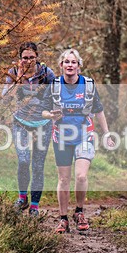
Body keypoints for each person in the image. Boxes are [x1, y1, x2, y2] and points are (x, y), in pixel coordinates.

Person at [38, 48, 115, 234]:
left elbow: (99, 110)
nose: (70, 65)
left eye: (73, 62)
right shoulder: (55, 85)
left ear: (79, 66)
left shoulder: (88, 85)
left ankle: (79, 211)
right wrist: (51, 115)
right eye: (66, 62)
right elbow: (43, 110)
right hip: (62, 136)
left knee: (81, 176)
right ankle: (63, 218)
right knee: (63, 179)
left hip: (84, 135)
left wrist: (106, 134)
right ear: (61, 65)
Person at [2, 42, 56, 217]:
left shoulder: (47, 74)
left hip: (43, 124)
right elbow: (4, 99)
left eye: (32, 57)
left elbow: (56, 98)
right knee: (24, 160)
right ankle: (22, 197)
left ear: (37, 57)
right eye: (25, 58)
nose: (28, 61)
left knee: (38, 166)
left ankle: (34, 206)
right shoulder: (13, 73)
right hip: (20, 122)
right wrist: (17, 80)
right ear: (20, 59)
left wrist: (53, 115)